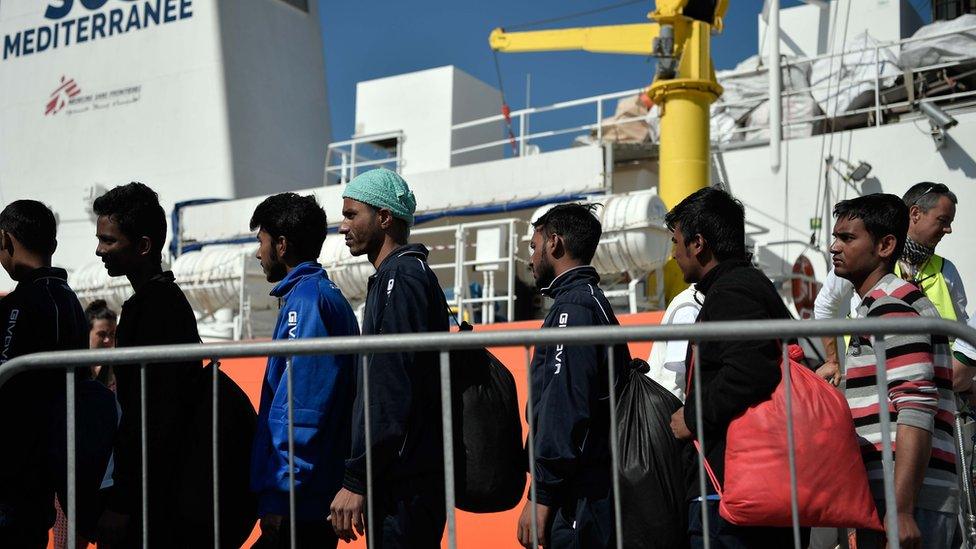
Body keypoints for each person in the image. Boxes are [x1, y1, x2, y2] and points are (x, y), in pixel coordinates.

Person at [664, 187, 801, 548]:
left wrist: (690, 418)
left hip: (732, 496)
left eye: (676, 241)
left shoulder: (731, 292)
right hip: (755, 490)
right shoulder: (749, 285)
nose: (674, 253)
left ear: (698, 243)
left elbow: (750, 370)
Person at [329, 168, 449, 548]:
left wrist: (357, 478)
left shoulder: (402, 277)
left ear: (384, 217)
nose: (342, 226)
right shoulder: (399, 275)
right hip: (403, 476)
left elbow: (389, 386)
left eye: (351, 215)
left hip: (405, 482)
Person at [830, 193, 957, 549]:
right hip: (903, 497)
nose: (833, 247)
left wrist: (901, 509)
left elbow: (915, 406)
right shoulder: (886, 304)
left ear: (886, 246)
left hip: (908, 501)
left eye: (847, 238)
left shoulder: (891, 307)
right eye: (836, 237)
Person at [92, 182, 203, 547]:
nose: (99, 250)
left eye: (109, 241)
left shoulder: (153, 309)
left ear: (142, 246)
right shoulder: (160, 301)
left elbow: (154, 415)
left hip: (156, 501)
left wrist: (123, 502)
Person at [514, 203, 630, 549]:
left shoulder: (574, 308)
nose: (531, 259)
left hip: (579, 495)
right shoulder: (589, 301)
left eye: (534, 247)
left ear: (554, 244)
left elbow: (564, 406)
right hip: (588, 489)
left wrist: (542, 495)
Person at [248, 193, 359, 548]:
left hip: (301, 500)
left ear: (281, 245)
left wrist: (284, 492)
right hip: (311, 492)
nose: (257, 253)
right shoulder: (317, 296)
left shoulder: (306, 302)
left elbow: (300, 408)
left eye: (260, 241)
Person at [0, 200, 91, 548]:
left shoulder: (21, 305)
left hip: (15, 474)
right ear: (52, 244)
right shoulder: (68, 300)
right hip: (47, 471)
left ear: (6, 240)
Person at [815, 182, 965, 386]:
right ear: (915, 213)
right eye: (943, 220)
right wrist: (832, 360)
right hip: (871, 380)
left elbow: (963, 333)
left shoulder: (945, 270)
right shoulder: (859, 261)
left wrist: (960, 379)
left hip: (930, 385)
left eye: (847, 238)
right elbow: (824, 306)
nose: (948, 229)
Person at [646, 283, 701, 401]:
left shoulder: (690, 301)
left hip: (665, 399)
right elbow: (678, 370)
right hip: (669, 403)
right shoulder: (689, 308)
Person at [85, 300, 117, 390]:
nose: (108, 340)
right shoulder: (75, 370)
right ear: (88, 332)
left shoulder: (117, 368)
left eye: (112, 334)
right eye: (102, 334)